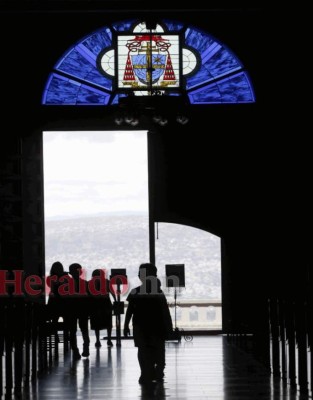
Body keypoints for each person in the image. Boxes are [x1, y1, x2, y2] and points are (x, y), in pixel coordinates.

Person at [123, 263, 173, 385]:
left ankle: (145, 372)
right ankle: (158, 371)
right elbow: (165, 311)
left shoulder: (136, 292)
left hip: (140, 326)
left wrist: (125, 325)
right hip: (157, 326)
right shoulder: (159, 293)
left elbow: (130, 310)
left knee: (143, 350)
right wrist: (169, 327)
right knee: (159, 350)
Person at [68, 263, 91, 359]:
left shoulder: (67, 284)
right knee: (84, 330)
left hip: (72, 309)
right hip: (83, 309)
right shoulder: (85, 283)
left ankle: (75, 350)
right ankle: (86, 348)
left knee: (72, 331)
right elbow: (89, 298)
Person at [89, 268, 116, 348]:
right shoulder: (107, 282)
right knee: (108, 322)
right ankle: (109, 339)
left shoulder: (91, 283)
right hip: (105, 302)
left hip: (95, 303)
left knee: (96, 323)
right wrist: (115, 301)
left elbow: (89, 294)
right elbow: (112, 292)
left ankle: (98, 340)